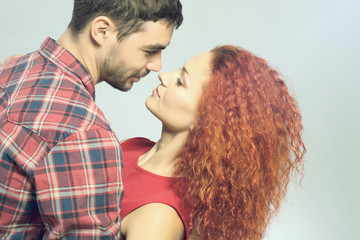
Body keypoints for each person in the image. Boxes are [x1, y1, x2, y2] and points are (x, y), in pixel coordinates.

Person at [0, 0, 182, 238]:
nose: (156, 66)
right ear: (102, 31)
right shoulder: (84, 134)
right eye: (149, 50)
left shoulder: (13, 68)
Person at [119, 45, 306, 240]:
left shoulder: (159, 217)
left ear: (205, 119)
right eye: (178, 70)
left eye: (181, 81)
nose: (164, 76)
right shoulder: (128, 147)